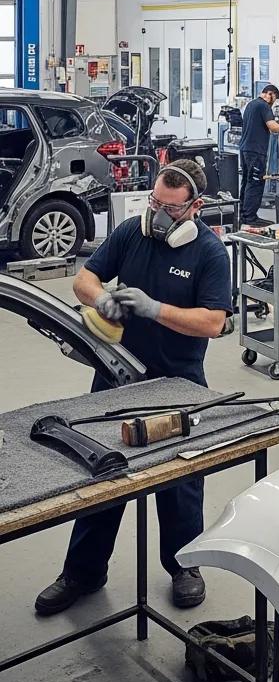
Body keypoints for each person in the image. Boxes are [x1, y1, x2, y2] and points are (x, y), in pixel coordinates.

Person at [35, 160, 232, 616]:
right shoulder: (130, 232)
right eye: (154, 203)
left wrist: (154, 308)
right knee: (100, 474)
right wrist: (100, 297)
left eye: (170, 208)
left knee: (181, 479)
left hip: (177, 383)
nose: (159, 215)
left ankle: (184, 565)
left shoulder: (209, 253)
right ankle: (82, 572)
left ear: (195, 208)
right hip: (116, 377)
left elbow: (213, 321)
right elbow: (84, 277)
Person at [238, 84, 279, 226]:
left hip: (245, 150)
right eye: (274, 99)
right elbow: (273, 127)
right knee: (256, 182)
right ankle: (250, 217)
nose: (273, 103)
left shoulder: (251, 104)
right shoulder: (263, 106)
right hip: (256, 150)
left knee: (247, 181)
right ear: (270, 94)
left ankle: (243, 214)